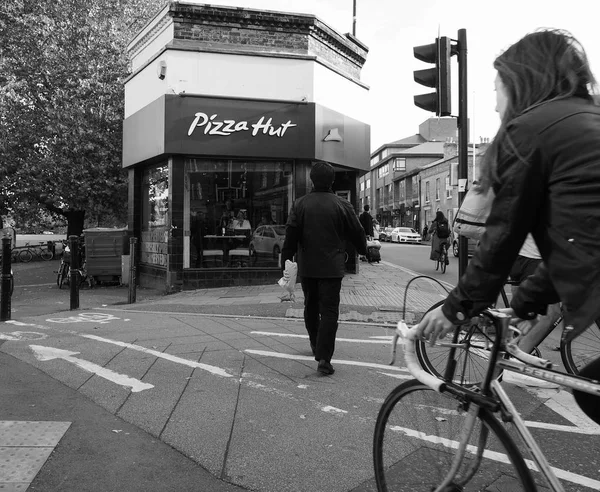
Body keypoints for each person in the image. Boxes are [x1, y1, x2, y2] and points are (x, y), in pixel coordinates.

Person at [414, 29, 600, 422]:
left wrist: (454, 310)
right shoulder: (586, 120)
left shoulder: (531, 129)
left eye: (498, 90)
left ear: (522, 84)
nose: (497, 107)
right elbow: (583, 242)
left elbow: (502, 238)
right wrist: (524, 302)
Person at [281, 162, 367, 375]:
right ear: (332, 181)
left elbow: (291, 236)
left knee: (310, 306)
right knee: (329, 311)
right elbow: (357, 232)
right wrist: (364, 250)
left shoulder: (300, 204)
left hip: (308, 266)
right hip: (332, 267)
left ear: (311, 179)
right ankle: (324, 358)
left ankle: (314, 343)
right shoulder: (342, 205)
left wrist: (285, 261)